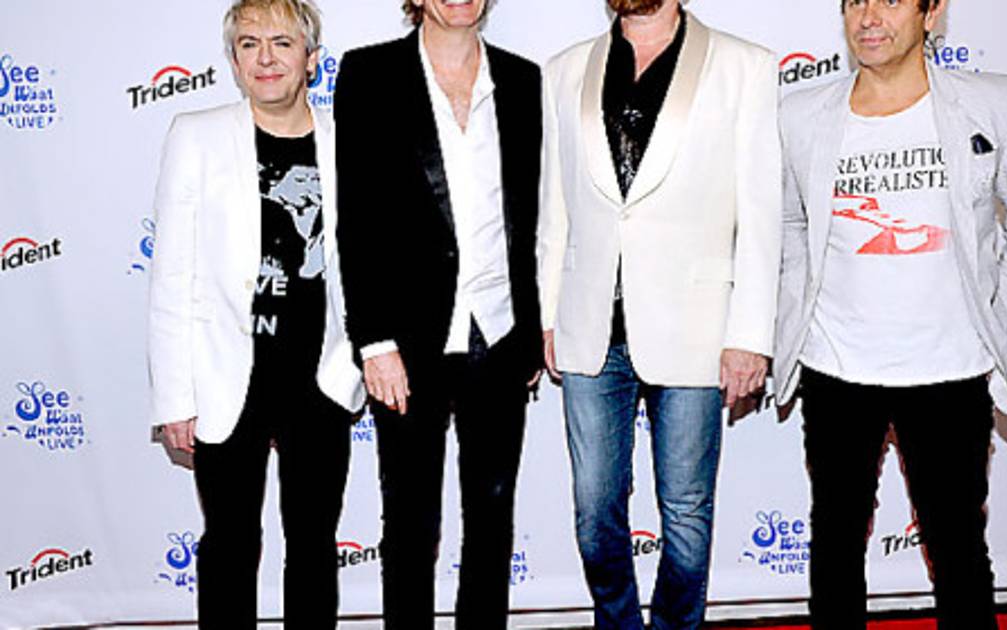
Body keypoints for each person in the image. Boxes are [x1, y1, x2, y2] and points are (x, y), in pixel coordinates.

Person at [773, 1, 1007, 628]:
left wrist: (997, 318)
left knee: (958, 548)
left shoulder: (991, 102)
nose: (868, 17)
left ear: (933, 12)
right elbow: (790, 223)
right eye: (855, 0)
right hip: (836, 367)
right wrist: (796, 314)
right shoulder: (800, 114)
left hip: (950, 369)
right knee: (835, 545)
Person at [538, 1, 781, 627]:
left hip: (697, 327)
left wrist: (750, 334)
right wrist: (547, 312)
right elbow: (554, 205)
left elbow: (762, 215)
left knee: (687, 518)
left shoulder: (744, 67)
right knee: (594, 515)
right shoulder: (564, 70)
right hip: (591, 328)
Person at [148, 1, 363, 627]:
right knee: (229, 546)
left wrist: (357, 362)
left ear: (311, 59)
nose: (266, 58)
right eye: (249, 44)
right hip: (224, 378)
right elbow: (171, 277)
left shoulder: (350, 139)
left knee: (314, 547)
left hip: (321, 379)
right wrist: (174, 399)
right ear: (235, 60)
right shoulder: (195, 135)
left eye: (282, 43)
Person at [333, 0, 543, 627]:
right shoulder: (369, 75)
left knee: (492, 515)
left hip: (498, 332)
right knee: (409, 520)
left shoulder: (523, 79)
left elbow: (529, 216)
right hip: (406, 342)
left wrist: (532, 328)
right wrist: (374, 341)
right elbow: (356, 219)